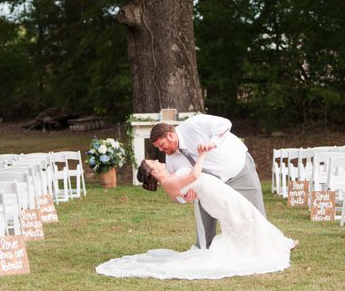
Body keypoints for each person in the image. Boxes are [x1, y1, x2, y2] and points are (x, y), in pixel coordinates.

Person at [96, 146, 296, 280]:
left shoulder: (170, 178)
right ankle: (266, 248)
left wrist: (188, 196)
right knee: (245, 218)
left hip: (215, 193)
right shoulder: (168, 181)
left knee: (247, 216)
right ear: (154, 172)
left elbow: (180, 195)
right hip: (216, 196)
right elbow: (193, 175)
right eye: (154, 163)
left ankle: (273, 243)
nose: (157, 161)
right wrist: (202, 155)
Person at [150, 114, 266, 249]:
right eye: (158, 148)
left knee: (255, 210)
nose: (161, 150)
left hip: (238, 169)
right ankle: (204, 249)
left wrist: (213, 143)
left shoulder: (194, 125)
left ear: (170, 136)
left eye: (162, 145)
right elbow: (175, 188)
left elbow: (225, 124)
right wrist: (185, 197)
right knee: (204, 217)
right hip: (211, 188)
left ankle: (268, 244)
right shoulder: (171, 160)